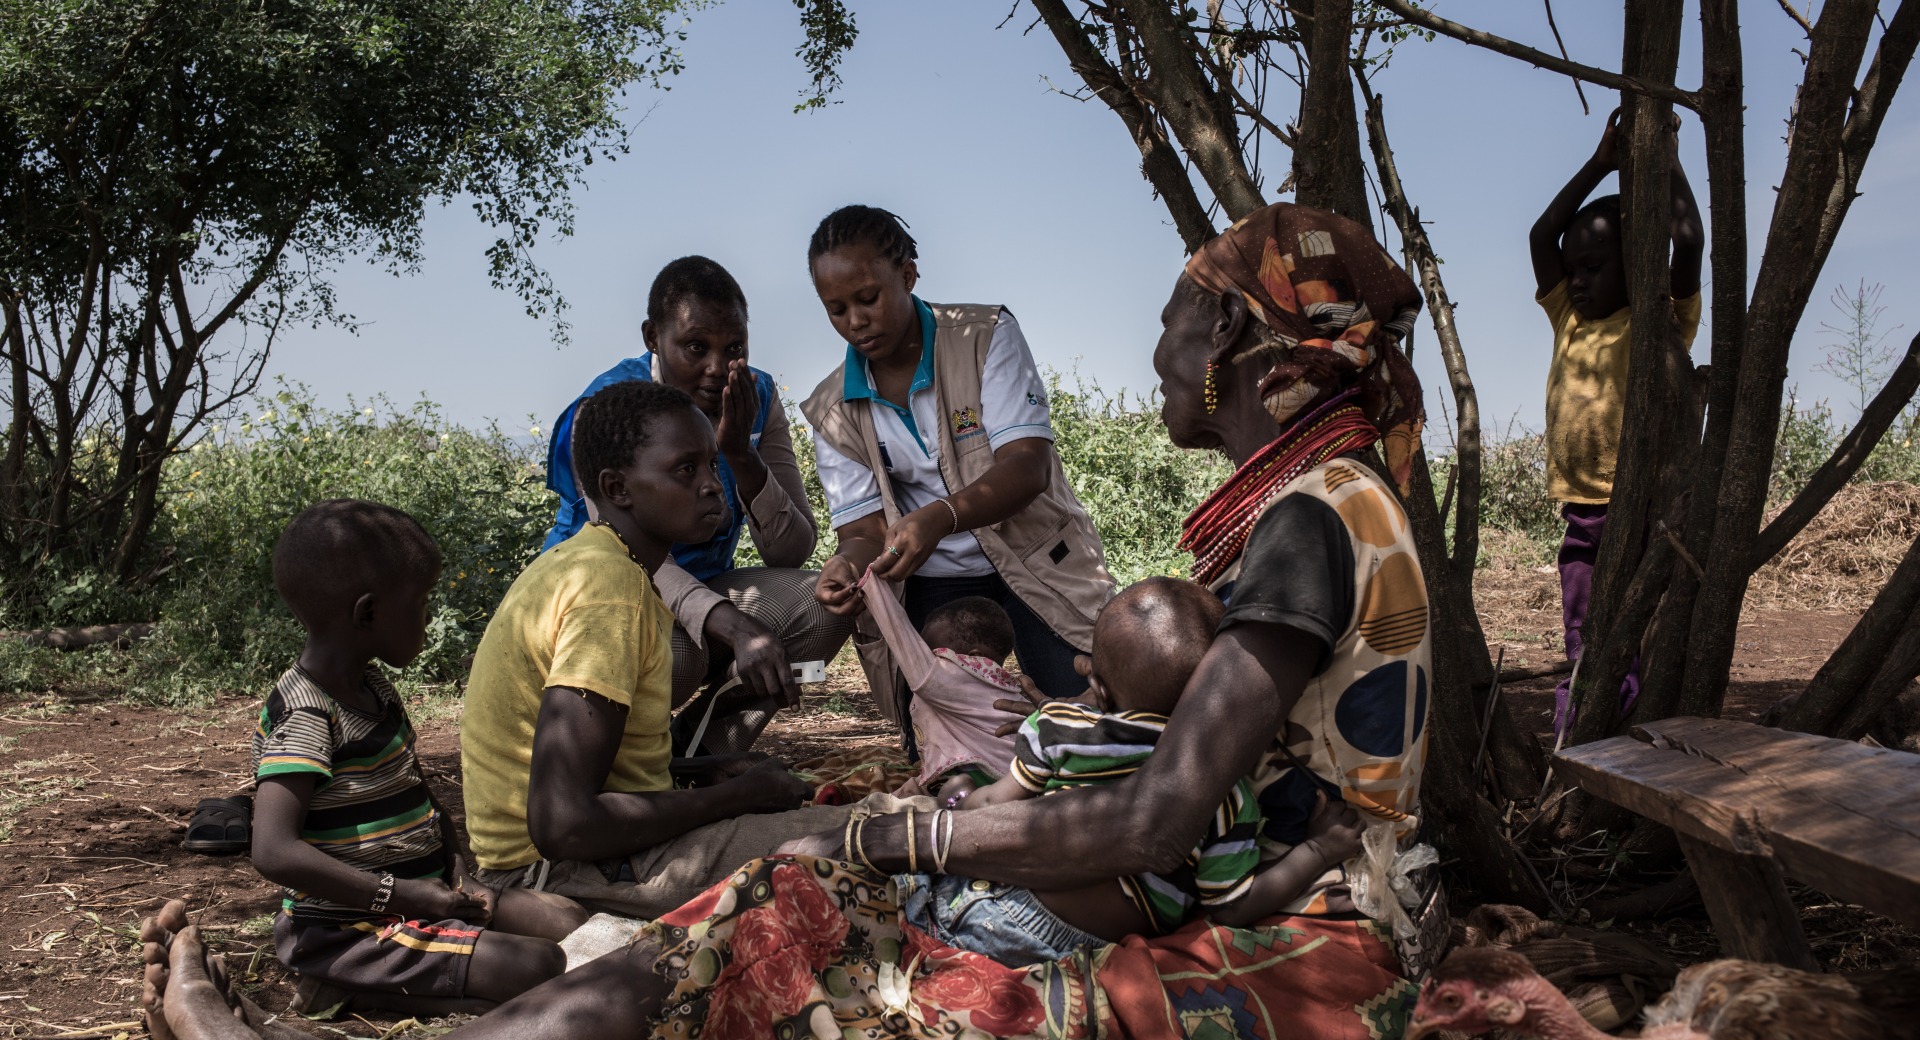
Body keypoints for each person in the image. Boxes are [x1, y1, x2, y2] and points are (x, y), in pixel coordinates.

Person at [141, 203, 1431, 1040]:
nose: (1158, 352)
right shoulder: (1331, 502)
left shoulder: (1314, 517)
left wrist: (919, 822)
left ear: (1256, 354)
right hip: (1219, 883)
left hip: (1280, 907)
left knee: (751, 927)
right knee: (750, 912)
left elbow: (1158, 816)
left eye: (1181, 323)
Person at [463, 379, 913, 919]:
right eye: (685, 470)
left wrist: (705, 771)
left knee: (878, 833)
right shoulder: (607, 588)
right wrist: (737, 799)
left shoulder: (605, 566)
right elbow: (564, 824)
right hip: (553, 871)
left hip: (575, 853)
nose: (711, 485)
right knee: (881, 841)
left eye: (709, 465)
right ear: (617, 487)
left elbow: (609, 768)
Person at [901, 577, 1367, 967]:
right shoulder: (1223, 789)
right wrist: (1320, 850)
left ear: (1098, 689)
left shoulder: (1061, 725)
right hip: (1085, 951)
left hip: (1000, 909)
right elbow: (1232, 907)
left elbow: (991, 806)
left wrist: (951, 804)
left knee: (961, 795)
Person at [252, 500, 587, 1015]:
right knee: (536, 967)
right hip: (347, 930)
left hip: (418, 901)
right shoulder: (307, 714)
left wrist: (457, 871)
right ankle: (349, 989)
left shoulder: (375, 688)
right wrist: (399, 896)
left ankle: (450, 989)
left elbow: (417, 795)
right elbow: (274, 851)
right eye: (422, 600)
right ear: (367, 613)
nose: (430, 614)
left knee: (570, 921)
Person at [802, 205, 1116, 735]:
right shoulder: (832, 409)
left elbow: (1027, 467)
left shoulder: (986, 335)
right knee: (943, 741)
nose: (854, 321)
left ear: (907, 275)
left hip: (1035, 560)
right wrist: (847, 565)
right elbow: (861, 532)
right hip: (932, 581)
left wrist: (938, 518)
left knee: (1088, 719)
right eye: (835, 309)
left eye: (868, 298)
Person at [543, 256, 851, 755]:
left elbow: (791, 551)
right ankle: (610, 765)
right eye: (695, 348)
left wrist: (739, 453)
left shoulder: (755, 397)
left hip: (704, 583)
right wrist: (736, 625)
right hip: (602, 601)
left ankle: (703, 755)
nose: (716, 369)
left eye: (734, 349)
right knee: (677, 655)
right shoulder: (603, 414)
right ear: (652, 338)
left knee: (824, 606)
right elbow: (627, 555)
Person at [1529, 111, 1703, 736]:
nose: (1575, 279)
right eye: (1572, 268)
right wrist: (1601, 164)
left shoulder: (1658, 322)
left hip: (1641, 510)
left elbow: (1688, 242)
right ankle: (1585, 719)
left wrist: (1667, 161)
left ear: (1634, 263)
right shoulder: (1568, 321)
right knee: (1583, 627)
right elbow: (1540, 236)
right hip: (1582, 513)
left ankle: (1622, 723)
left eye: (1593, 267)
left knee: (1636, 624)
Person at [857, 563, 1023, 794]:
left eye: (934, 654)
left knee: (938, 800)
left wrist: (871, 585)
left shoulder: (960, 678)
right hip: (1000, 778)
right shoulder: (993, 685)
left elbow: (904, 642)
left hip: (989, 780)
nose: (928, 661)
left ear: (973, 658)